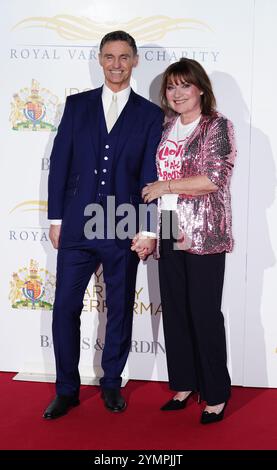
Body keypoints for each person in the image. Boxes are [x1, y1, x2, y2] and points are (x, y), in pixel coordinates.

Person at [43, 31, 163, 419]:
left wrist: (147, 228)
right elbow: (60, 163)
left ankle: (112, 382)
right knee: (64, 307)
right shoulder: (76, 106)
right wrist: (57, 217)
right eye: (109, 57)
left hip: (123, 224)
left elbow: (150, 174)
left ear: (135, 61)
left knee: (121, 307)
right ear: (99, 59)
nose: (116, 64)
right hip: (77, 224)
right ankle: (66, 389)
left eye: (124, 57)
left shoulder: (149, 115)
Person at [140, 58, 236, 424]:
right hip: (168, 229)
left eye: (184, 85)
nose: (177, 93)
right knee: (176, 311)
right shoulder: (164, 127)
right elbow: (148, 181)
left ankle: (215, 393)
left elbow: (214, 179)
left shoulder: (217, 126)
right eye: (171, 86)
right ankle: (183, 383)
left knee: (205, 313)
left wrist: (166, 186)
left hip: (205, 232)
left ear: (200, 89)